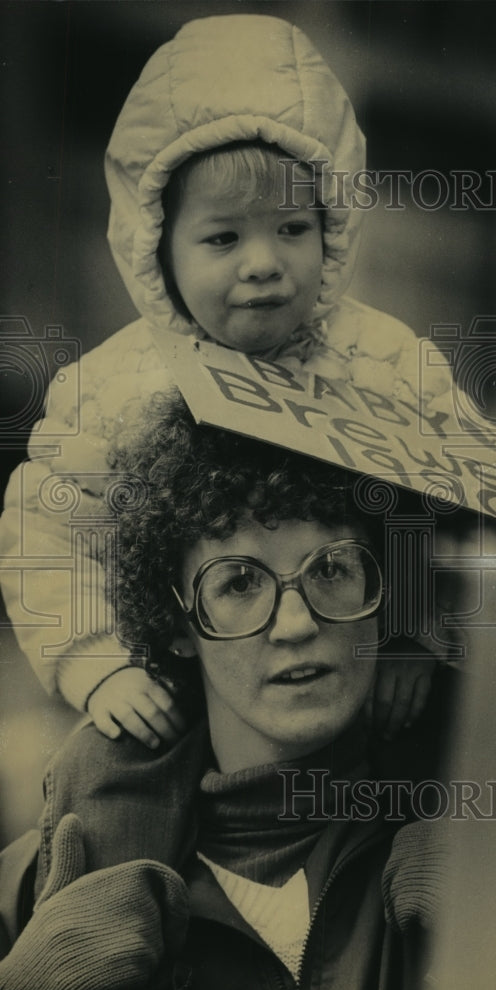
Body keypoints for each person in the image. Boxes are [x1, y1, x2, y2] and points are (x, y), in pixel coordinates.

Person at [0, 13, 452, 749]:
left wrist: (412, 634)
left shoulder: (384, 359)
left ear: (333, 227)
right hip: (173, 690)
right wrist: (95, 664)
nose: (263, 263)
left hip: (349, 676)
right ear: (156, 247)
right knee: (113, 789)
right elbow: (44, 530)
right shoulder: (115, 388)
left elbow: (445, 506)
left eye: (293, 229)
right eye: (223, 238)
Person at [0, 388, 459, 990]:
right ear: (178, 625)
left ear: (384, 590)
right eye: (239, 582)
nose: (296, 624)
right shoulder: (61, 872)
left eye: (331, 568)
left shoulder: (474, 844)